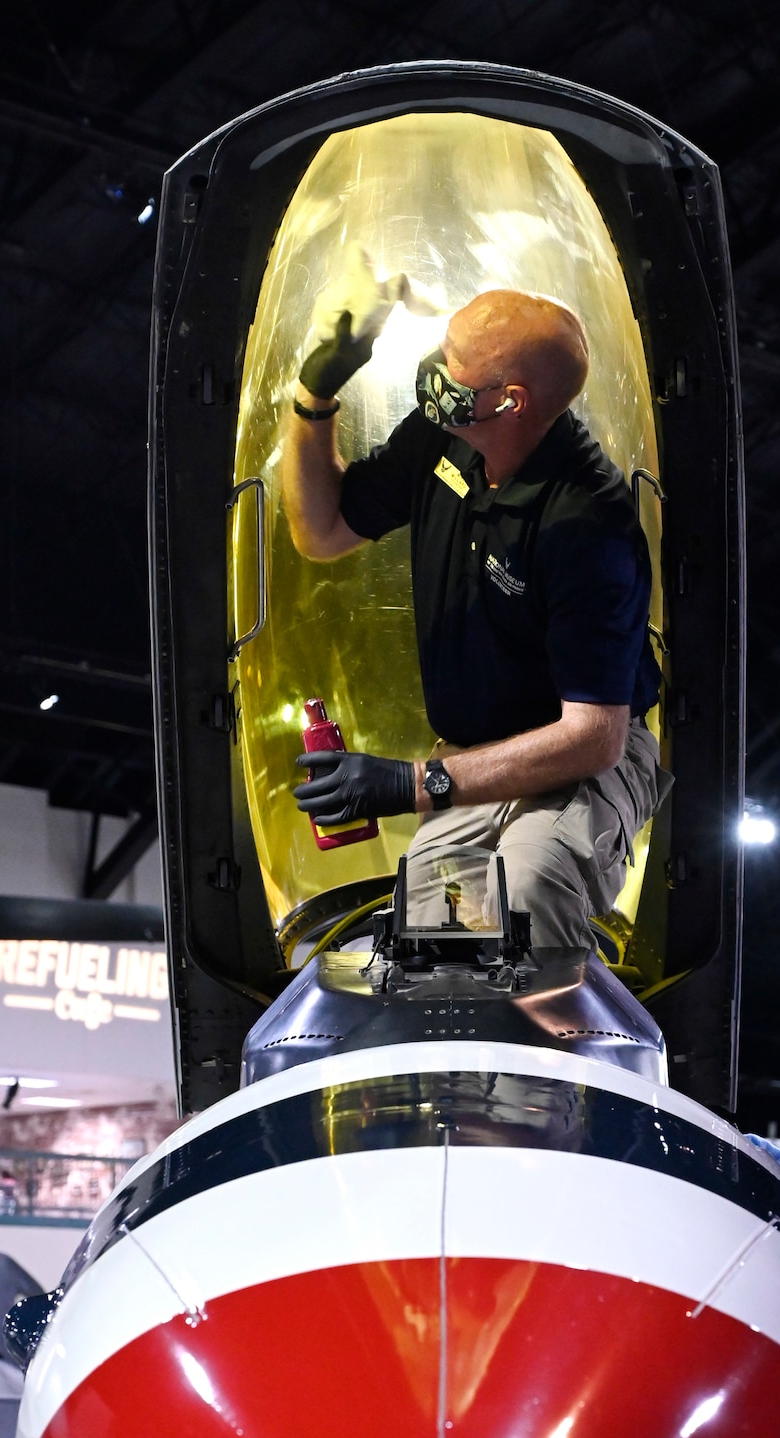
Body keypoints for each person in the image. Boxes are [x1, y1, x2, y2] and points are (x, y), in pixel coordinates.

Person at [282, 287, 670, 949]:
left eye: (454, 362)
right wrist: (315, 396)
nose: (434, 366)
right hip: (473, 757)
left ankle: (556, 1041)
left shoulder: (585, 521)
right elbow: (321, 531)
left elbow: (592, 738)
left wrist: (408, 783)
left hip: (581, 759)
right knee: (431, 937)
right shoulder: (444, 438)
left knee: (526, 892)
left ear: (510, 401)